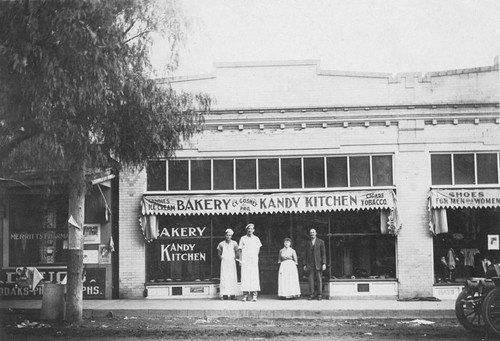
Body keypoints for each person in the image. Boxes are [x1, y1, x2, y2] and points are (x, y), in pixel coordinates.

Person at [238, 223, 262, 302]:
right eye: (248, 229)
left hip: (253, 261)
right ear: (246, 230)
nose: (250, 230)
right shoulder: (243, 238)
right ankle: (245, 295)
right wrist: (241, 260)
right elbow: (240, 250)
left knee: (254, 277)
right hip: (245, 261)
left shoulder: (256, 239)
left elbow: (258, 250)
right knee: (245, 277)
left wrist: (254, 258)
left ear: (253, 230)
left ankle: (254, 295)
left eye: (251, 229)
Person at [304, 228, 326, 300]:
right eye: (311, 232)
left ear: (316, 233)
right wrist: (304, 264)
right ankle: (311, 294)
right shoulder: (307, 243)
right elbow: (305, 254)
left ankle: (319, 295)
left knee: (319, 279)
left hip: (318, 264)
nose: (312, 234)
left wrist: (324, 263)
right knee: (310, 280)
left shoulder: (321, 242)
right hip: (310, 264)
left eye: (313, 232)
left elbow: (323, 254)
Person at [217, 228, 239, 300]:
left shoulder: (234, 243)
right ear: (225, 235)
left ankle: (233, 295)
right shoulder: (221, 244)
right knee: (224, 278)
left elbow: (237, 252)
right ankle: (224, 295)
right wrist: (223, 259)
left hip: (232, 263)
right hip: (224, 263)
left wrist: (233, 258)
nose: (228, 237)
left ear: (231, 236)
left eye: (230, 235)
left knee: (232, 277)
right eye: (227, 235)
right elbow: (219, 254)